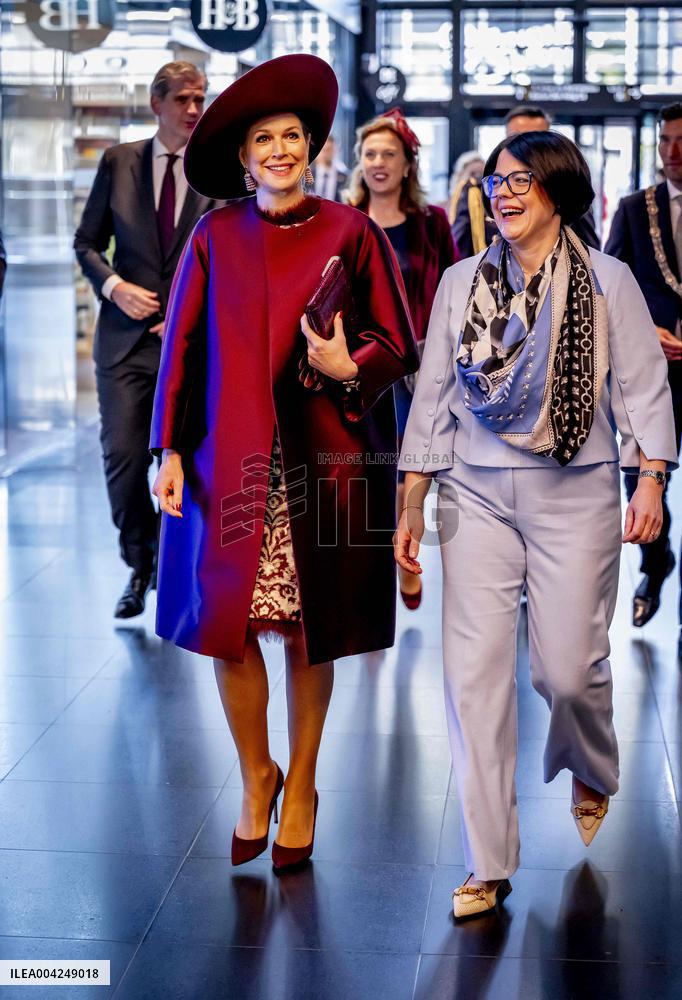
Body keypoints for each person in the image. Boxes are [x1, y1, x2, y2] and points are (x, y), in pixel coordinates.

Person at [395, 131, 677, 920]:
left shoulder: (606, 280)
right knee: (473, 678)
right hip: (476, 495)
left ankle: (589, 756)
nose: (505, 194)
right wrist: (412, 503)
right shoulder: (460, 282)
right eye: (495, 181)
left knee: (566, 669)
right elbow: (435, 396)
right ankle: (487, 862)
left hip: (576, 489)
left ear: (558, 188)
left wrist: (650, 479)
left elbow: (644, 390)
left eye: (521, 180)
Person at [149, 55, 417, 873]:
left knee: (311, 635)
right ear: (243, 156)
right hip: (226, 464)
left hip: (323, 463)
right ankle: (255, 774)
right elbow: (182, 349)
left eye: (292, 136)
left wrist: (346, 368)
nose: (278, 149)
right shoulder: (213, 235)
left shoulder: (352, 232)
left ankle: (301, 783)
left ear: (313, 147)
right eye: (263, 138)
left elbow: (396, 343)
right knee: (228, 632)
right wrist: (164, 447)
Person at [74, 61, 222, 619]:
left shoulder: (217, 171)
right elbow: (86, 242)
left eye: (200, 99)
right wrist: (114, 288)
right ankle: (141, 561)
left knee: (184, 463)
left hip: (191, 347)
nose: (193, 109)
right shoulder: (118, 162)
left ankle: (171, 567)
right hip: (123, 345)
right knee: (124, 457)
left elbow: (228, 264)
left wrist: (193, 314)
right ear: (155, 103)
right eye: (183, 99)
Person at [345, 108, 457, 608]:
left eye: (389, 153)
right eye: (370, 153)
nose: (378, 162)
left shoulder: (431, 222)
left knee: (407, 467)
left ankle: (405, 553)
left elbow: (455, 286)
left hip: (416, 364)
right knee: (364, 468)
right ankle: (374, 563)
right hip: (357, 363)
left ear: (408, 164)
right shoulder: (344, 219)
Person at [605, 102, 682, 649]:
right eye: (665, 141)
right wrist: (645, 328)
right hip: (657, 372)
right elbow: (608, 287)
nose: (673, 153)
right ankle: (656, 564)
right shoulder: (636, 209)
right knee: (643, 479)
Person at [452, 105, 600, 257]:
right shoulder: (479, 191)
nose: (525, 145)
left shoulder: (565, 188)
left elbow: (589, 253)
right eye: (515, 136)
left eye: (535, 136)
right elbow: (459, 248)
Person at [446, 150, 485, 225]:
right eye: (472, 174)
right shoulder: (445, 209)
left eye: (481, 175)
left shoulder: (491, 210)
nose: (477, 179)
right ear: (460, 176)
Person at [312, 134, 347, 202]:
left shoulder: (345, 177)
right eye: (323, 150)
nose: (325, 154)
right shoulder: (305, 175)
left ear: (336, 150)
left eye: (329, 150)